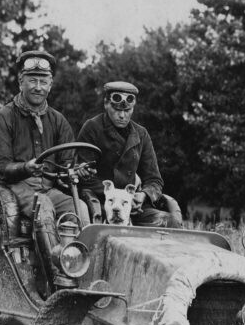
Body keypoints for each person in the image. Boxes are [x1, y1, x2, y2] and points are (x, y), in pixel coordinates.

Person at [0, 50, 89, 283]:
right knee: (42, 205)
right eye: (32, 80)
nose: (38, 87)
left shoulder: (58, 121)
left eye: (43, 81)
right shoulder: (3, 117)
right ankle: (54, 279)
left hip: (48, 188)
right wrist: (25, 168)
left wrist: (74, 172)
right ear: (20, 81)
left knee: (80, 208)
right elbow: (1, 166)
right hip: (15, 188)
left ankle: (82, 271)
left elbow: (65, 166)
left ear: (51, 85)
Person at [77, 81, 183, 228]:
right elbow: (85, 177)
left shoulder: (141, 134)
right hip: (101, 201)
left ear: (133, 109)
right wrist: (116, 197)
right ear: (106, 104)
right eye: (116, 109)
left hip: (132, 204)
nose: (122, 115)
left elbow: (154, 180)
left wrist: (143, 195)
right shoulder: (92, 128)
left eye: (127, 111)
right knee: (94, 231)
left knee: (169, 221)